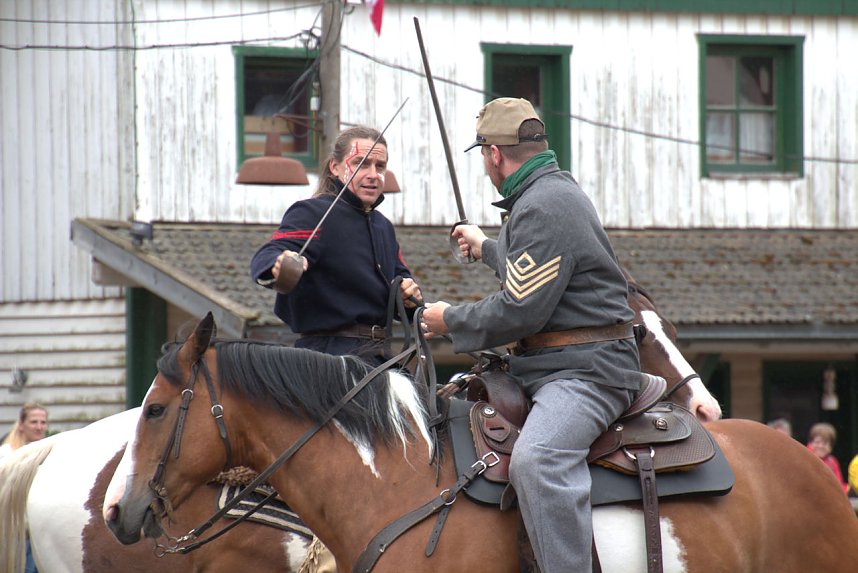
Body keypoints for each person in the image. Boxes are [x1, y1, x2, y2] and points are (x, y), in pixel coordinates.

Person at [421, 97, 641, 572]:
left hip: (587, 373)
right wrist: (486, 247)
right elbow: (539, 272)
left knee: (537, 461)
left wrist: (448, 320)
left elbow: (521, 309)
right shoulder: (547, 194)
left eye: (483, 156)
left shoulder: (543, 205)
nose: (485, 165)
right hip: (557, 367)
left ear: (493, 154)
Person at [250, 125, 422, 367]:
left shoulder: (383, 226)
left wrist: (409, 295)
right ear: (335, 167)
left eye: (379, 166)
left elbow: (402, 281)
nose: (373, 174)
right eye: (362, 164)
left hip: (379, 358)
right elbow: (268, 255)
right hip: (327, 360)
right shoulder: (312, 212)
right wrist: (279, 264)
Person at [807, 422, 848, 493]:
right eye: (817, 442)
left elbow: (839, 485)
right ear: (810, 442)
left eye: (825, 443)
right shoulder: (804, 458)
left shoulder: (832, 461)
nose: (820, 446)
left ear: (831, 447)